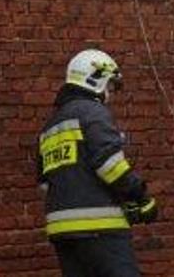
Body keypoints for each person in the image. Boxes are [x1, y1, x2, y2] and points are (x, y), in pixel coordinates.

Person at [37, 48, 159, 277]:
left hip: (62, 234)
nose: (110, 92)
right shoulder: (93, 112)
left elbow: (45, 183)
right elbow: (110, 167)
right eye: (110, 84)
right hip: (101, 230)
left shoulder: (50, 126)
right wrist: (141, 198)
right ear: (96, 78)